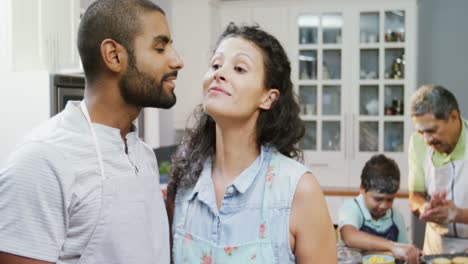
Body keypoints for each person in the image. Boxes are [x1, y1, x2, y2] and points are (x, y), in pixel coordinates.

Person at [0, 0, 183, 263]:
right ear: (114, 55)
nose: (177, 60)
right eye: (160, 48)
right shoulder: (42, 161)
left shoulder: (142, 154)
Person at [166, 23, 336, 263]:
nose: (219, 73)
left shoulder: (299, 190)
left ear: (268, 97)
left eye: (239, 68)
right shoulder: (184, 182)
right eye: (216, 65)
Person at [408, 84, 468, 254]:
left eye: (432, 130)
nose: (426, 140)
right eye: (421, 132)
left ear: (454, 117)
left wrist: (458, 214)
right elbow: (415, 196)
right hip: (436, 249)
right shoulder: (417, 143)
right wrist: (424, 208)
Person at [338, 154, 420, 263]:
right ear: (362, 188)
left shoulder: (395, 216)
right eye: (378, 199)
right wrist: (392, 246)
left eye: (390, 200)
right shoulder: (351, 208)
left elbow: (404, 249)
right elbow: (350, 237)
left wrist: (410, 254)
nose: (384, 206)